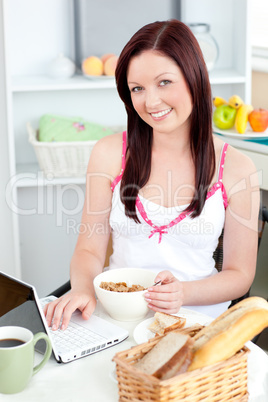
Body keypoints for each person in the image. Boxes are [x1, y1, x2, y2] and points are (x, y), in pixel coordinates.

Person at [44, 19, 260, 330]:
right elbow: (89, 249)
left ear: (193, 77)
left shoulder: (237, 168)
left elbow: (240, 275)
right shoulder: (108, 153)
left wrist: (182, 293)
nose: (151, 102)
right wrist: (81, 289)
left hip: (197, 321)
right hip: (118, 315)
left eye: (164, 82)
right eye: (137, 89)